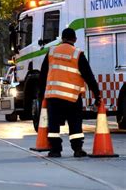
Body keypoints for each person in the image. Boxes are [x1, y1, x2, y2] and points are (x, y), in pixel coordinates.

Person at [39, 28, 102, 158]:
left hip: (53, 97)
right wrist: (97, 95)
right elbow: (89, 77)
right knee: (75, 124)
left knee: (53, 125)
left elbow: (43, 74)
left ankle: (55, 150)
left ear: (62, 38)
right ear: (75, 39)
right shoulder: (77, 54)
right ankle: (77, 149)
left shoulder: (51, 52)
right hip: (72, 98)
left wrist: (41, 95)